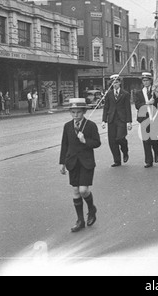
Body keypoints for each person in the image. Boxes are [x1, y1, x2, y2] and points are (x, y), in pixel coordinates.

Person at [59, 98, 101, 232]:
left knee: (83, 190)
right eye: (73, 112)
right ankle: (80, 220)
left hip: (86, 162)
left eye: (78, 112)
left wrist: (84, 140)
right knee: (76, 191)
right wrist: (62, 163)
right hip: (72, 162)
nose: (75, 115)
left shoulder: (90, 125)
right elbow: (64, 145)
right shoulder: (67, 126)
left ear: (84, 112)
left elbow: (97, 143)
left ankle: (91, 208)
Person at [102, 75, 133, 167]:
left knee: (120, 138)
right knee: (112, 141)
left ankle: (125, 150)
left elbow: (128, 108)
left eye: (116, 82)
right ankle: (117, 160)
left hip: (121, 119)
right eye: (112, 83)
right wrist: (104, 120)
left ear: (119, 82)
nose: (114, 84)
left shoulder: (125, 94)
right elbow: (106, 107)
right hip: (111, 119)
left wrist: (129, 122)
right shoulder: (109, 94)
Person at [134, 72, 158, 168]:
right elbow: (137, 105)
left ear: (150, 81)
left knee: (153, 139)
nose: (145, 82)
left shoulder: (155, 91)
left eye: (147, 80)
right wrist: (147, 103)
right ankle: (148, 161)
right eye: (143, 80)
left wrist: (157, 95)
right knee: (145, 140)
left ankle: (156, 150)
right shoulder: (139, 92)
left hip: (153, 117)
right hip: (144, 118)